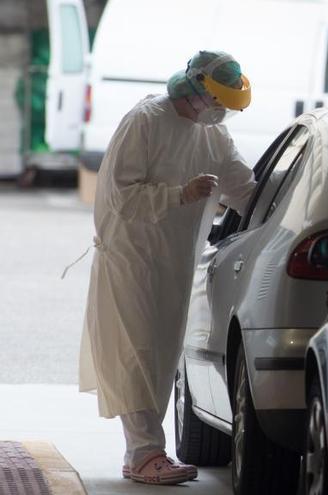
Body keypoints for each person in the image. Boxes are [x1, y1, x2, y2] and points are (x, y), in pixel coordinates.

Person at [78, 50, 256, 485]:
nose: (219, 114)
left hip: (174, 260)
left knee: (161, 356)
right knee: (137, 351)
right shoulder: (147, 120)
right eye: (217, 104)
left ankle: (145, 454)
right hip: (132, 257)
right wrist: (180, 194)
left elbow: (242, 187)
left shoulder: (211, 136)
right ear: (195, 89)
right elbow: (120, 196)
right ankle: (144, 454)